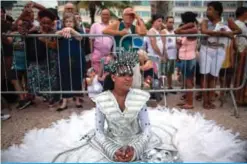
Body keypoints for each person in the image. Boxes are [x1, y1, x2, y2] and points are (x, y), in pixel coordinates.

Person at [50, 51, 179, 162]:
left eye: (130, 75)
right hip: (111, 141)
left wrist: (135, 150)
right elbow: (99, 131)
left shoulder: (140, 97)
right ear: (113, 77)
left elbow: (147, 129)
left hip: (139, 141)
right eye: (123, 75)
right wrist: (112, 150)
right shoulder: (102, 100)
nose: (128, 79)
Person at [199, 1, 241, 109]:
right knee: (204, 75)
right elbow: (204, 31)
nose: (207, 11)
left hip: (220, 51)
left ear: (217, 12)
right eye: (207, 9)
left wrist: (229, 33)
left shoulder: (227, 21)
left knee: (213, 76)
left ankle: (210, 99)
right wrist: (223, 33)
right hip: (206, 49)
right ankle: (205, 101)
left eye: (210, 9)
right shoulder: (205, 21)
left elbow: (238, 30)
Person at [56, 13, 86, 111]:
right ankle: (64, 101)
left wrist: (72, 31)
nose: (68, 23)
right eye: (66, 21)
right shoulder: (62, 30)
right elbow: (55, 35)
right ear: (63, 22)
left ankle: (77, 99)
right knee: (64, 78)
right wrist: (62, 31)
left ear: (74, 22)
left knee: (77, 77)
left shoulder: (78, 30)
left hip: (77, 57)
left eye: (71, 21)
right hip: (64, 57)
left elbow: (80, 37)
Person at [175, 12, 199, 109]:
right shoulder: (190, 29)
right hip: (184, 58)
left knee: (189, 82)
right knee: (186, 81)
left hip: (189, 59)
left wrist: (188, 25)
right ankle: (187, 101)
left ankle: (190, 103)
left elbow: (177, 31)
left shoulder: (193, 29)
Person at [89, 8, 113, 74]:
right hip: (97, 54)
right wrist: (92, 53)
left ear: (109, 16)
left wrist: (112, 54)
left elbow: (114, 42)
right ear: (101, 16)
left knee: (106, 75)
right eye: (103, 14)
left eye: (107, 14)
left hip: (108, 55)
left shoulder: (113, 26)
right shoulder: (95, 25)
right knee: (96, 74)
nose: (105, 16)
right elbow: (91, 40)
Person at [234, 7, 247, 106]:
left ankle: (241, 97)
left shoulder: (243, 24)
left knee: (242, 76)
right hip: (241, 52)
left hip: (243, 52)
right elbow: (234, 39)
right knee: (240, 76)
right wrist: (238, 52)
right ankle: (239, 99)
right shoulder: (238, 24)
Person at [162, 16, 177, 93]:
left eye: (172, 22)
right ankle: (163, 89)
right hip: (166, 54)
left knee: (170, 73)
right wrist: (165, 54)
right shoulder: (164, 31)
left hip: (173, 54)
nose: (171, 24)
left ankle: (170, 87)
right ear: (166, 23)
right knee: (164, 72)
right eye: (169, 22)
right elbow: (163, 44)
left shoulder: (174, 31)